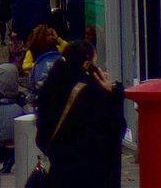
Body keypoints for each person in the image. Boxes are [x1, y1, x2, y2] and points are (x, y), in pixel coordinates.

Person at [36, 40, 125, 188]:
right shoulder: (93, 94)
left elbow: (41, 138)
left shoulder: (51, 89)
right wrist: (114, 95)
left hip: (59, 175)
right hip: (90, 176)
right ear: (88, 65)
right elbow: (116, 130)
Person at [25, 24, 66, 100]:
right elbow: (25, 66)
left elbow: (68, 48)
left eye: (52, 35)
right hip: (40, 82)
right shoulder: (32, 51)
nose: (51, 37)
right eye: (48, 35)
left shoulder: (56, 48)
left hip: (57, 82)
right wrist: (39, 65)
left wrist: (57, 38)